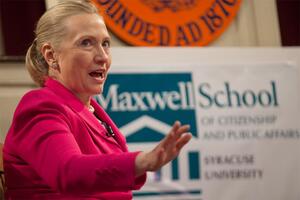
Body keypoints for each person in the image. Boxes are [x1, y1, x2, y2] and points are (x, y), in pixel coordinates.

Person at [3, 0, 192, 199]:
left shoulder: (92, 111)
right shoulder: (41, 106)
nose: (103, 57)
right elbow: (68, 172)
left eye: (105, 44)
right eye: (86, 43)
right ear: (51, 55)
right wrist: (143, 161)